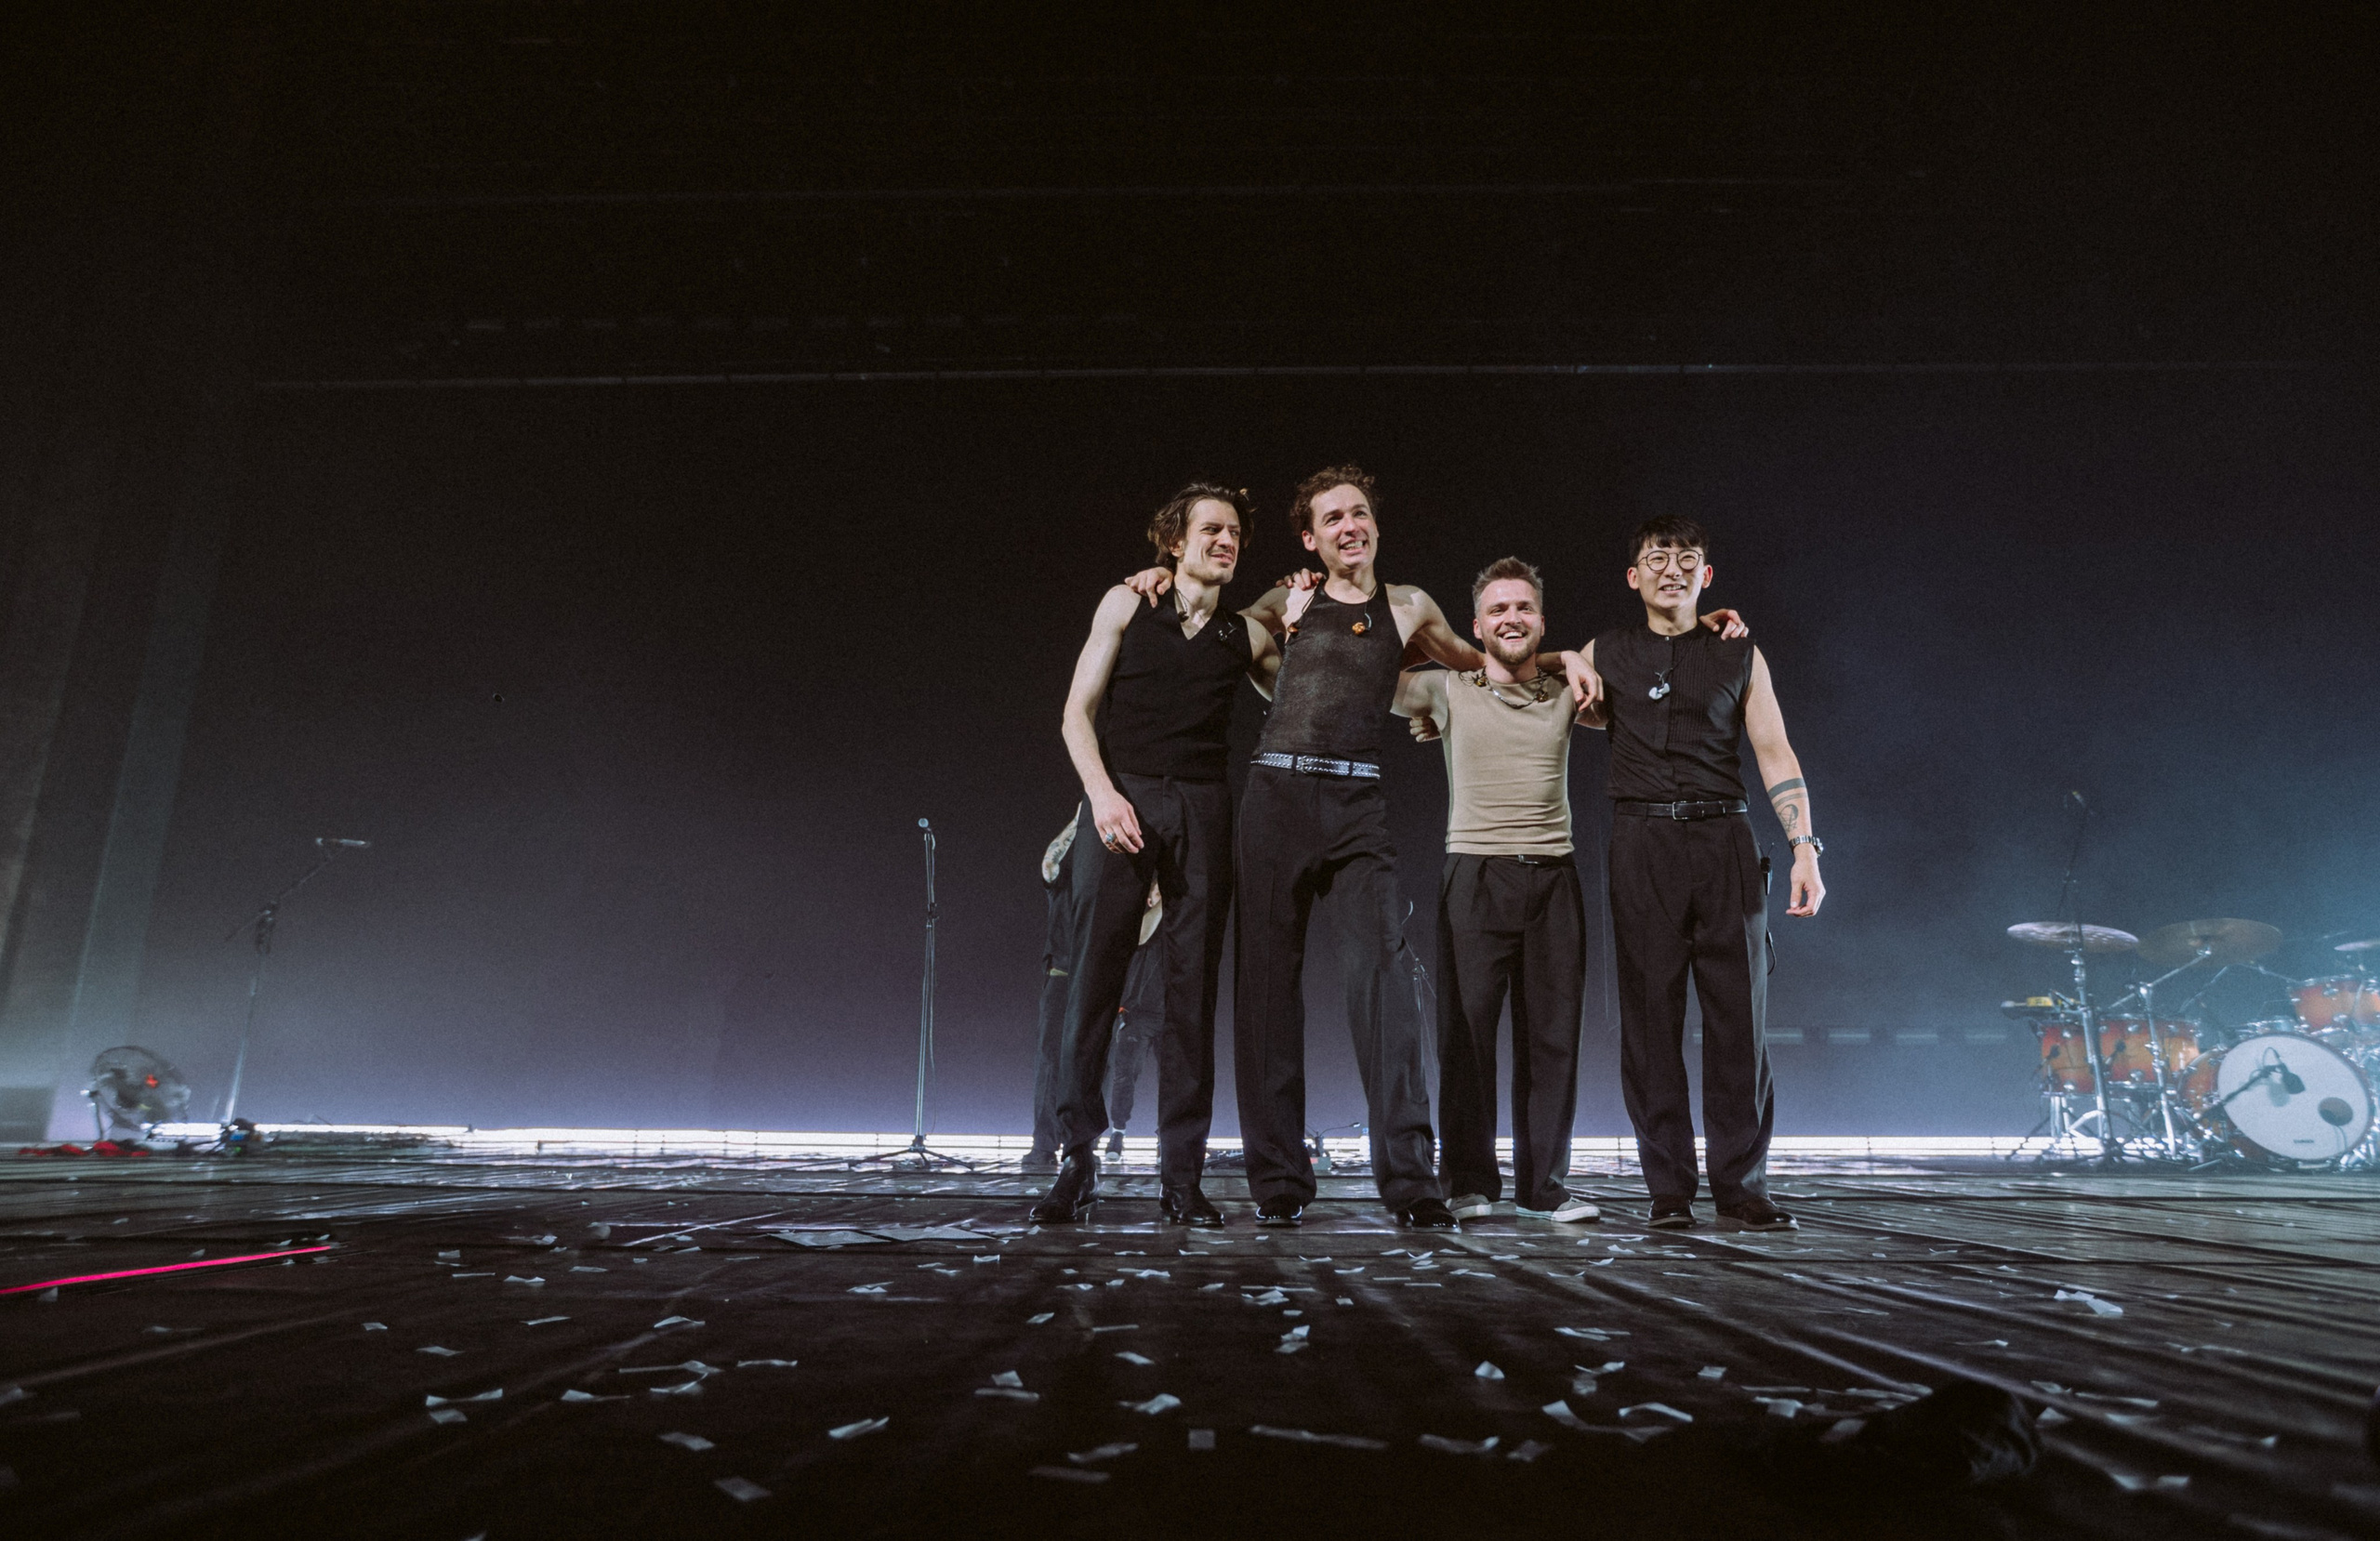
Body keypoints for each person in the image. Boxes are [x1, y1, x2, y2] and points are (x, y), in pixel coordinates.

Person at [1157, 468, 1559, 1230]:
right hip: (1274, 799)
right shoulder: (1284, 601)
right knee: (1268, 993)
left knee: (1386, 983)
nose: (1351, 525)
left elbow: (1486, 668)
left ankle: (1411, 1184)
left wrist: (1568, 663)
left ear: (1374, 525)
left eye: (1361, 513)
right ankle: (1278, 1183)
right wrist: (1161, 575)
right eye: (1333, 518)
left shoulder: (1409, 607)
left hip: (1357, 806)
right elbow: (1205, 632)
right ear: (1310, 538)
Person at [1030, 485, 1280, 1228]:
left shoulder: (1247, 635)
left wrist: (1297, 608)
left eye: (1235, 531)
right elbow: (1076, 714)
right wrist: (1104, 797)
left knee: (1190, 994)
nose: (1226, 541)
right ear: (1174, 541)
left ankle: (1182, 1177)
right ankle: (1077, 1163)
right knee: (1093, 983)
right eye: (1211, 529)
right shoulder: (1126, 603)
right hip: (1123, 794)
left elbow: (1305, 698)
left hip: (1204, 805)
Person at [1572, 515, 1826, 1231]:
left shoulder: (1740, 654)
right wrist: (1567, 659)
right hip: (1640, 839)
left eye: (1688, 559)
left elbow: (1775, 751)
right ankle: (1670, 1193)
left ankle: (1743, 1189)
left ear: (1707, 576)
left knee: (1738, 1022)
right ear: (1634, 575)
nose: (1672, 569)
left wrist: (1806, 848)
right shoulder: (1605, 650)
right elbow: (1529, 678)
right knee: (1650, 1023)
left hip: (1726, 837)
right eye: (1657, 558)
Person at [1394, 558, 1604, 1226]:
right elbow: (1361, 666)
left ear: (1541, 621)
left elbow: (1648, 675)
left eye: (1524, 608)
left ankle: (1545, 1187)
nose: (1512, 618)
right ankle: (1472, 1183)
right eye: (1498, 610)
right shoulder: (1444, 687)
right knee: (1467, 1039)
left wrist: (1571, 657)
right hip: (1475, 875)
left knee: (1553, 1039)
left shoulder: (1570, 686)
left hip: (1555, 878)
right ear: (1477, 625)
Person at [1023, 814, 1081, 1175]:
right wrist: (1078, 819)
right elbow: (1050, 859)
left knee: (1091, 1063)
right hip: (1061, 975)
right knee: (1050, 1061)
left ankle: (1079, 1144)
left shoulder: (1107, 889)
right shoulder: (1065, 882)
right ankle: (1044, 1143)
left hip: (1094, 980)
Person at [1100, 883, 1168, 1158]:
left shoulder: (1178, 925)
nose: (1164, 895)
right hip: (1138, 1014)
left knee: (1173, 1081)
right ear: (1150, 898)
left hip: (1171, 1015)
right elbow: (1140, 936)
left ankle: (1167, 1138)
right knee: (1125, 1075)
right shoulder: (1141, 921)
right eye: (1158, 891)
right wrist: (1166, 901)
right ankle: (1118, 1134)